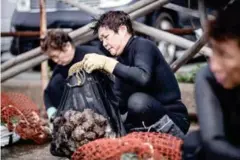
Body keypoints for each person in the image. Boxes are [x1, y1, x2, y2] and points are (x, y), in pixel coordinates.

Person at [82, 11, 190, 136]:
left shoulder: (143, 45)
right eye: (101, 40)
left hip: (174, 119)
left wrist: (107, 63)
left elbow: (143, 77)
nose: (104, 43)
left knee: (137, 101)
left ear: (122, 30)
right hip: (146, 120)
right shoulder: (121, 59)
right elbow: (119, 102)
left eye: (106, 37)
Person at [183, 2, 240, 160]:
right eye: (214, 50)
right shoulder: (208, 78)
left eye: (225, 54)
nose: (214, 66)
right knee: (193, 144)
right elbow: (212, 141)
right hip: (230, 147)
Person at [41, 29, 105, 120]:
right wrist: (51, 111)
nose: (55, 60)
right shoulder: (60, 68)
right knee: (56, 81)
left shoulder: (91, 55)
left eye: (56, 56)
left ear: (67, 46)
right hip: (73, 112)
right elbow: (48, 92)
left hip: (99, 104)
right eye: (52, 58)